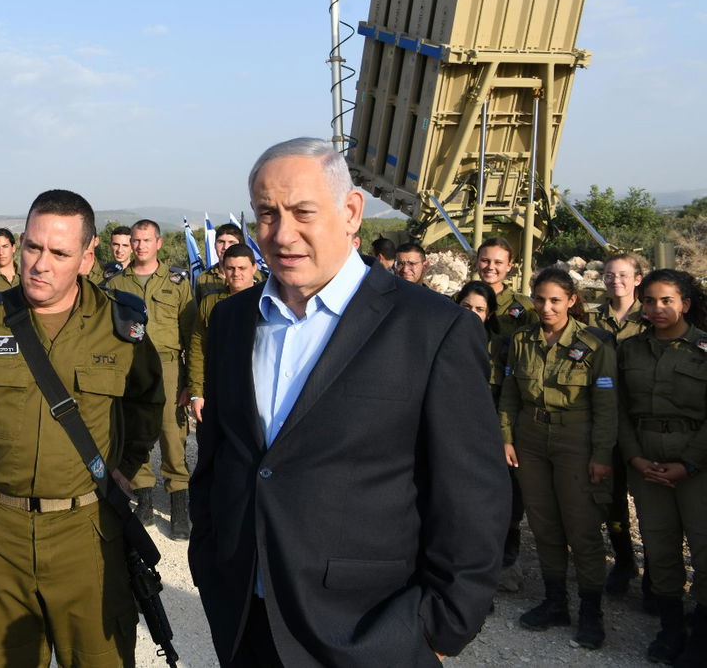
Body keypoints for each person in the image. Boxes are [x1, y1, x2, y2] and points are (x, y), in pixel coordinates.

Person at [190, 137, 507, 666]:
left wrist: (441, 627)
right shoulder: (232, 320)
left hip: (369, 629)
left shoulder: (433, 329)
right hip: (248, 617)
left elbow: (472, 495)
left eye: (302, 212)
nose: (281, 234)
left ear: (351, 210)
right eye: (266, 214)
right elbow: (221, 457)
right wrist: (211, 558)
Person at [0, 189, 164, 667]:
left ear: (88, 258)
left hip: (86, 533)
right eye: (33, 247)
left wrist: (126, 466)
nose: (40, 264)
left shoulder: (119, 324)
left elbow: (148, 399)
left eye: (60, 253)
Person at [499, 267, 617, 649]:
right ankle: (554, 602)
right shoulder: (522, 340)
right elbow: (511, 394)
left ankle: (590, 610)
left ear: (571, 301)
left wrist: (601, 454)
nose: (546, 307)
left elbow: (606, 405)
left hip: (575, 439)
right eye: (539, 299)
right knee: (544, 524)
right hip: (531, 437)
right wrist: (507, 437)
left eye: (554, 300)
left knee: (581, 527)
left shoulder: (595, 344)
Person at [618, 269, 707, 665]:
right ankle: (670, 630)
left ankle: (701, 635)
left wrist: (689, 463)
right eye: (650, 301)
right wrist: (635, 457)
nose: (656, 308)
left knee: (704, 548)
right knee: (660, 547)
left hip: (697, 464)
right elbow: (618, 410)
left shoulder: (703, 349)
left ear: (684, 304)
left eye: (666, 300)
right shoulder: (630, 350)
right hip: (646, 462)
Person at [101, 219, 193, 537]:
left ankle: (179, 505)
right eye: (135, 241)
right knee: (134, 430)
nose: (140, 246)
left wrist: (191, 383)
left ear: (158, 242)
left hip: (168, 366)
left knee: (172, 435)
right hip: (130, 366)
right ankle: (142, 499)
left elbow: (191, 333)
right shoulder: (116, 283)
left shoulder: (178, 281)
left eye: (145, 240)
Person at [457, 279, 525, 589]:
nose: (472, 314)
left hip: (489, 437)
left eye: (480, 309)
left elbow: (509, 394)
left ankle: (497, 570)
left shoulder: (501, 347)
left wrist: (504, 437)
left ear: (489, 314)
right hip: (455, 436)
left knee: (494, 508)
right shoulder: (441, 338)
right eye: (466, 307)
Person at [590, 251, 651, 596]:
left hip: (642, 418)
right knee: (611, 498)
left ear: (637, 279)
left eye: (624, 275)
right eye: (610, 275)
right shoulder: (593, 318)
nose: (616, 281)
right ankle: (624, 560)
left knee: (648, 500)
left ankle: (657, 571)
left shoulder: (649, 316)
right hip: (605, 417)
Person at [183, 244, 256, 426]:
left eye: (242, 268)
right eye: (230, 268)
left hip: (255, 390)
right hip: (218, 389)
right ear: (223, 269)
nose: (236, 273)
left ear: (254, 268)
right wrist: (196, 392)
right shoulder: (210, 303)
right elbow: (197, 350)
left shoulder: (267, 301)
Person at [476, 237, 535, 326]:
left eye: (498, 262)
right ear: (477, 262)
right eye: (485, 261)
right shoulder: (459, 300)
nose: (490, 267)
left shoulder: (524, 306)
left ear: (509, 266)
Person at [196, 224, 245, 300]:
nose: (225, 247)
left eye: (231, 242)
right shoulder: (202, 279)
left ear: (241, 246)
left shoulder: (255, 276)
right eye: (221, 242)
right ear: (214, 245)